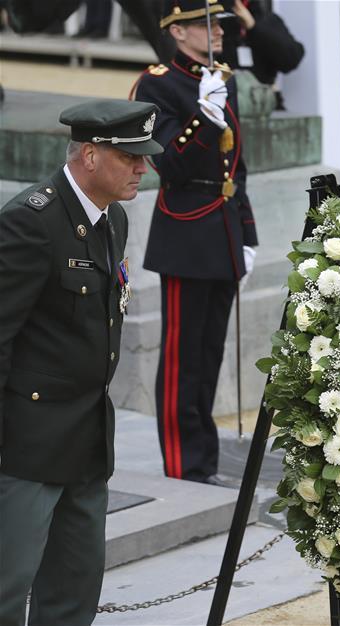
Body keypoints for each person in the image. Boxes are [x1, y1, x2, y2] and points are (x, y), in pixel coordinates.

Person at [0, 98, 161, 626]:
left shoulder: (112, 219)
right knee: (7, 586)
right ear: (90, 156)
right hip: (27, 443)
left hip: (87, 440)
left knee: (74, 592)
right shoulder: (30, 223)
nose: (143, 168)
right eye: (130, 157)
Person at [133, 0, 258, 485]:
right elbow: (171, 164)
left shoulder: (221, 79)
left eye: (221, 24)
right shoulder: (157, 82)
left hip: (222, 229)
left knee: (209, 355)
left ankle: (204, 461)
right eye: (207, 25)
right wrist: (204, 118)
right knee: (183, 359)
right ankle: (184, 466)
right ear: (178, 31)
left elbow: (237, 167)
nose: (220, 33)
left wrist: (247, 233)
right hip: (187, 228)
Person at [219, 0, 304, 109]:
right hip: (224, 105)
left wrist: (253, 27)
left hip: (263, 103)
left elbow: (291, 59)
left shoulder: (266, 18)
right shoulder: (215, 21)